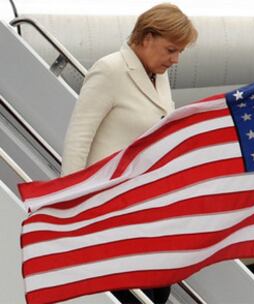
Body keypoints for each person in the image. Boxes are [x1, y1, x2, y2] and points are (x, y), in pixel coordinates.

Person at [61, 3, 198, 303]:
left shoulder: (157, 76)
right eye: (171, 50)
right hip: (110, 207)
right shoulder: (110, 70)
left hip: (148, 207)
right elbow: (78, 140)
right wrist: (71, 208)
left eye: (180, 53)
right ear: (147, 38)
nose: (175, 59)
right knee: (132, 295)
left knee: (160, 291)